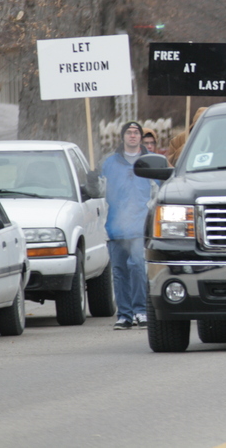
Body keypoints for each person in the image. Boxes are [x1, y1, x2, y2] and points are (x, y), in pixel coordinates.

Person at [101, 122, 157, 329]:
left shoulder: (149, 162)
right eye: (129, 132)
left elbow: (158, 193)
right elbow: (100, 191)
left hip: (140, 226)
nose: (132, 136)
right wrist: (91, 183)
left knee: (137, 266)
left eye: (136, 133)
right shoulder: (110, 163)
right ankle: (124, 315)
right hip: (116, 227)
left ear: (140, 138)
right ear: (123, 136)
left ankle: (140, 311)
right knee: (119, 271)